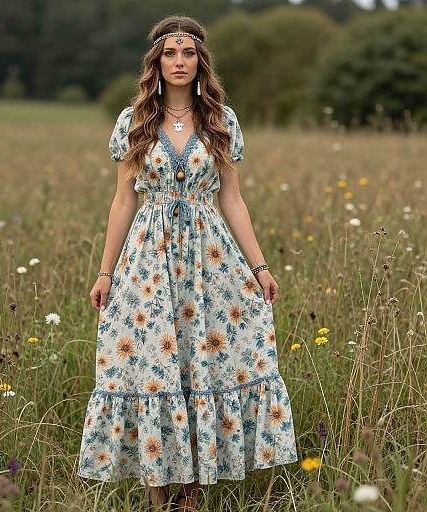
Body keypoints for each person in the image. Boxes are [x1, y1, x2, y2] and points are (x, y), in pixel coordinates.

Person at [78, 15, 298, 512]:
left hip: (209, 261)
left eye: (189, 54)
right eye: (170, 54)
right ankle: (158, 494)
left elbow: (233, 202)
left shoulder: (222, 120)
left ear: (201, 62)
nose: (180, 62)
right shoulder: (133, 121)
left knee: (201, 365)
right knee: (151, 367)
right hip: (147, 263)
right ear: (156, 61)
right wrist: (105, 272)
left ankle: (192, 495)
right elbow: (122, 203)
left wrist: (260, 267)